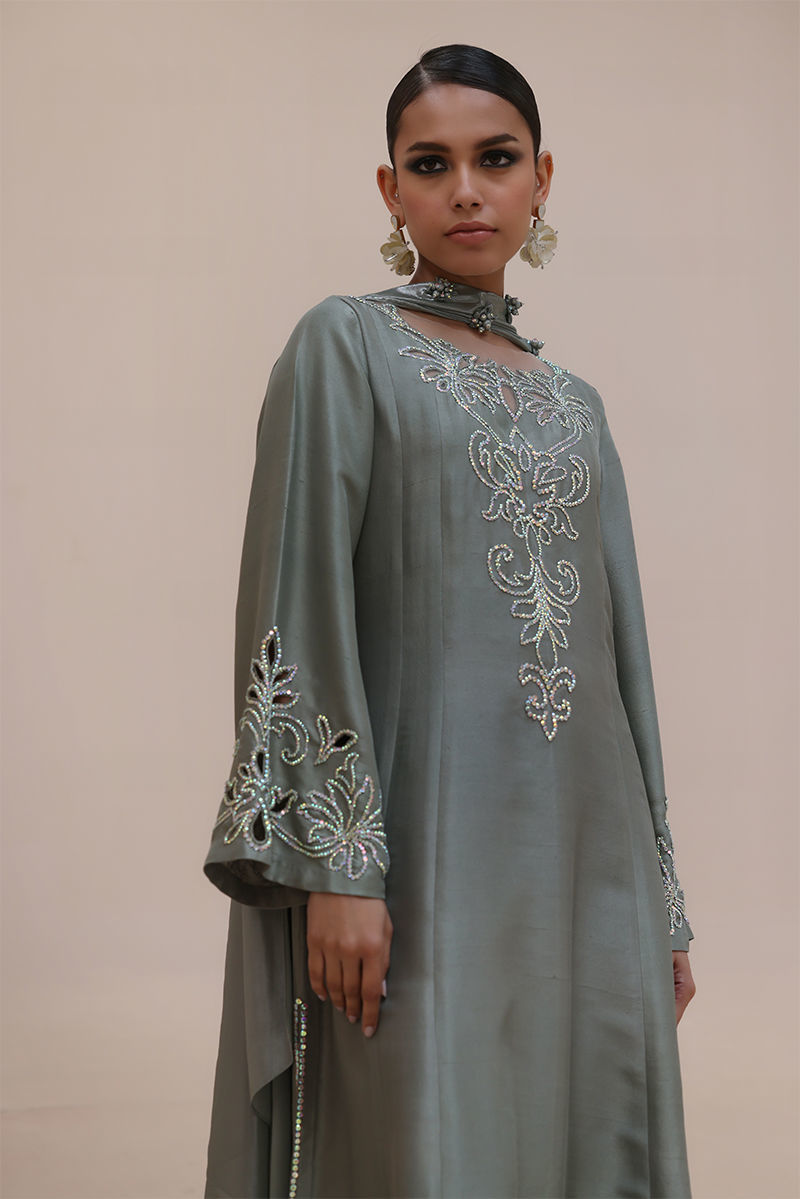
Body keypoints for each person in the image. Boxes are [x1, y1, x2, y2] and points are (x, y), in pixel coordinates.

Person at [202, 43, 696, 1199]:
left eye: (496, 158)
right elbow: (295, 596)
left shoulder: (575, 404)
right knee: (430, 1143)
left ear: (541, 179)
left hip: (588, 872)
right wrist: (338, 867)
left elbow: (621, 664)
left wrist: (660, 905)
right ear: (390, 190)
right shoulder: (344, 345)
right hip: (414, 866)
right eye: (430, 164)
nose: (465, 189)